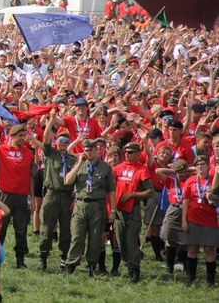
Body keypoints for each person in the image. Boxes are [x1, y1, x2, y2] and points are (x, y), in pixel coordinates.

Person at [0, 124, 35, 269]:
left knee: (21, 228)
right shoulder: (2, 150)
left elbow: (31, 175)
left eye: (24, 136)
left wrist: (32, 196)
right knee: (0, 227)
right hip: (4, 194)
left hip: (22, 196)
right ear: (12, 136)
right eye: (19, 136)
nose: (22, 139)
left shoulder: (29, 153)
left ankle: (20, 258)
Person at [64, 139, 116, 277]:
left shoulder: (105, 167)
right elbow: (68, 181)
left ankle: (92, 265)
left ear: (96, 150)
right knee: (77, 236)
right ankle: (71, 265)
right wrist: (80, 163)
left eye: (91, 150)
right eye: (86, 150)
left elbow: (111, 190)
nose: (88, 152)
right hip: (80, 204)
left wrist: (112, 211)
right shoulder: (79, 165)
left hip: (97, 206)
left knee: (94, 238)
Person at [35, 118, 77, 271]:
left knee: (66, 229)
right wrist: (52, 120)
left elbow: (77, 181)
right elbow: (45, 138)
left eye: (66, 141)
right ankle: (43, 257)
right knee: (46, 228)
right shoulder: (51, 153)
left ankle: (63, 258)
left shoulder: (73, 159)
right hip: (51, 195)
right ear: (56, 141)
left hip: (67, 197)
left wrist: (75, 198)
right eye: (61, 140)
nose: (63, 143)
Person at [113, 141, 154, 282]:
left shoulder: (141, 169)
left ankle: (135, 271)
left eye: (130, 152)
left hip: (133, 210)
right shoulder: (117, 168)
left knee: (131, 242)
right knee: (121, 242)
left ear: (137, 154)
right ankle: (128, 265)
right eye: (125, 151)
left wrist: (133, 194)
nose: (127, 154)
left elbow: (150, 192)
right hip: (118, 211)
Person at [181, 154, 218, 285]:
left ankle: (210, 280)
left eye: (202, 164)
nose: (200, 167)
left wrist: (212, 197)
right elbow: (185, 201)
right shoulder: (190, 180)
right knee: (192, 249)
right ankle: (191, 278)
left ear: (208, 166)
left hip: (209, 220)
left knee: (209, 250)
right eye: (197, 165)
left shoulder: (215, 179)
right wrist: (183, 221)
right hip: (193, 219)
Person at [155, 158, 191, 274]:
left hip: (186, 211)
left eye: (185, 172)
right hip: (173, 209)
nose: (183, 174)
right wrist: (173, 170)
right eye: (180, 172)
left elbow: (197, 171)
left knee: (185, 242)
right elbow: (158, 171)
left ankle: (186, 267)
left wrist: (188, 168)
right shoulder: (171, 181)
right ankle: (169, 267)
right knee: (170, 239)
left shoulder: (190, 181)